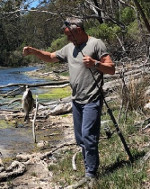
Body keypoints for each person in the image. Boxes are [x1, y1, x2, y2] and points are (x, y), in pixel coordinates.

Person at [23, 17, 115, 179]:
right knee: (81, 139)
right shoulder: (69, 48)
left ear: (78, 30)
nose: (68, 38)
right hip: (76, 101)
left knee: (88, 137)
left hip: (92, 99)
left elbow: (111, 69)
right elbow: (51, 57)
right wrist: (34, 52)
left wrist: (95, 63)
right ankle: (89, 168)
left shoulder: (96, 44)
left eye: (69, 35)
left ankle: (91, 174)